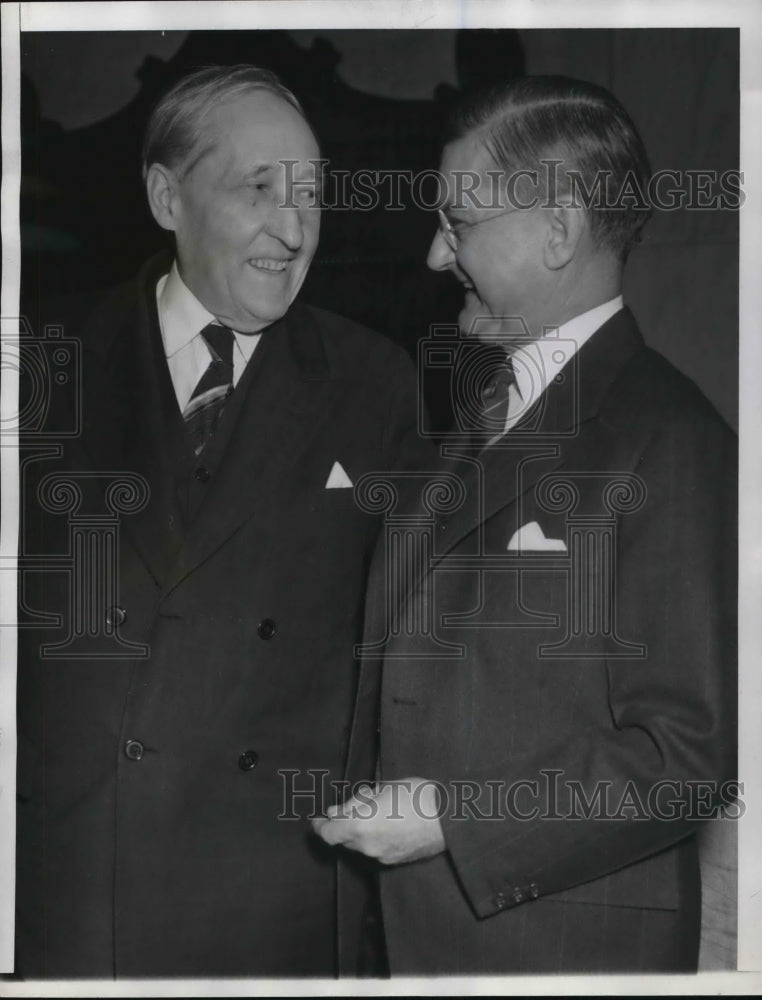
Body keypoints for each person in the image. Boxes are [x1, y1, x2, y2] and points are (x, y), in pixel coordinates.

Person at [314, 75, 737, 974]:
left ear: (558, 230)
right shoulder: (476, 413)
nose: (435, 256)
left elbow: (687, 761)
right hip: (406, 942)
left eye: (459, 224)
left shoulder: (674, 438)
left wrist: (449, 822)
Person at [16, 64, 428, 978]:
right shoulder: (41, 361)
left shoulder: (375, 385)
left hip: (267, 901)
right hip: (72, 889)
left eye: (312, 194)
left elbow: (425, 632)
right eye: (258, 190)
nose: (293, 228)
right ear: (167, 196)